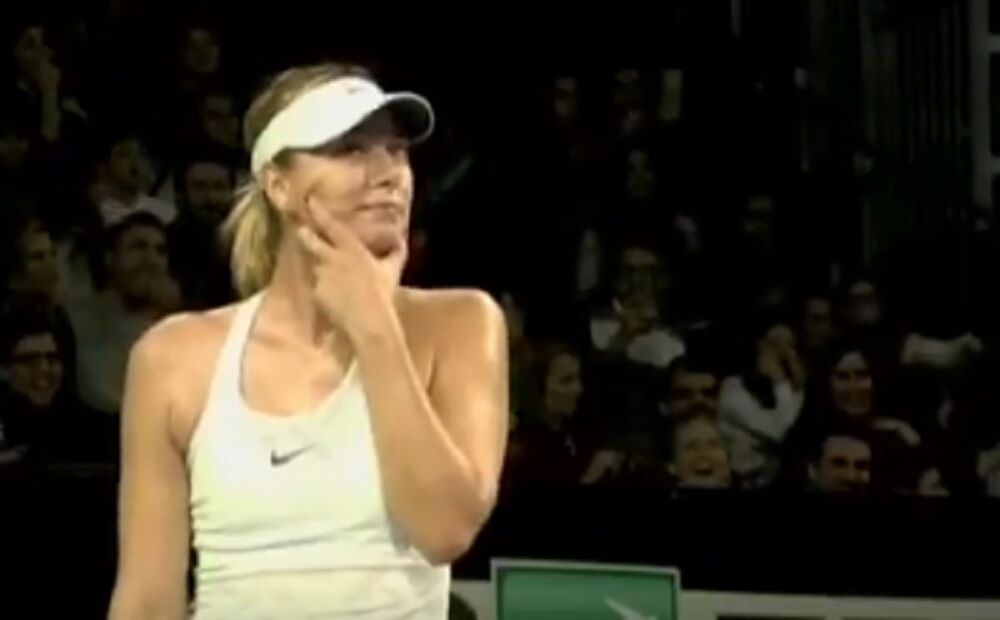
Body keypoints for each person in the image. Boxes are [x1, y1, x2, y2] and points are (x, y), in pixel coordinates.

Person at [109, 63, 509, 619]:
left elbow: (445, 529)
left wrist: (373, 327)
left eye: (396, 150)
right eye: (350, 149)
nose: (388, 173)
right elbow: (148, 600)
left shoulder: (461, 324)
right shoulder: (173, 358)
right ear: (279, 185)